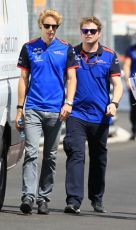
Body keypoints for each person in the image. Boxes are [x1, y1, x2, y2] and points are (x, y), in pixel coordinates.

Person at [16, 9, 78, 215]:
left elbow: (72, 78)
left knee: (50, 156)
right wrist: (19, 108)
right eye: (47, 26)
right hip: (33, 108)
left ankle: (43, 197)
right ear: (40, 26)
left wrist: (68, 103)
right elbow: (23, 79)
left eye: (54, 27)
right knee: (32, 153)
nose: (51, 30)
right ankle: (28, 196)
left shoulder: (66, 49)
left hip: (56, 111)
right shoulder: (29, 48)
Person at [63, 16, 123, 214]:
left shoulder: (109, 55)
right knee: (75, 155)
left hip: (100, 115)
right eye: (85, 31)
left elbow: (118, 85)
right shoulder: (71, 52)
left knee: (98, 158)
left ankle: (97, 198)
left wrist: (114, 103)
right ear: (81, 32)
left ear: (99, 33)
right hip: (77, 114)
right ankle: (73, 200)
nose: (88, 34)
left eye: (92, 31)